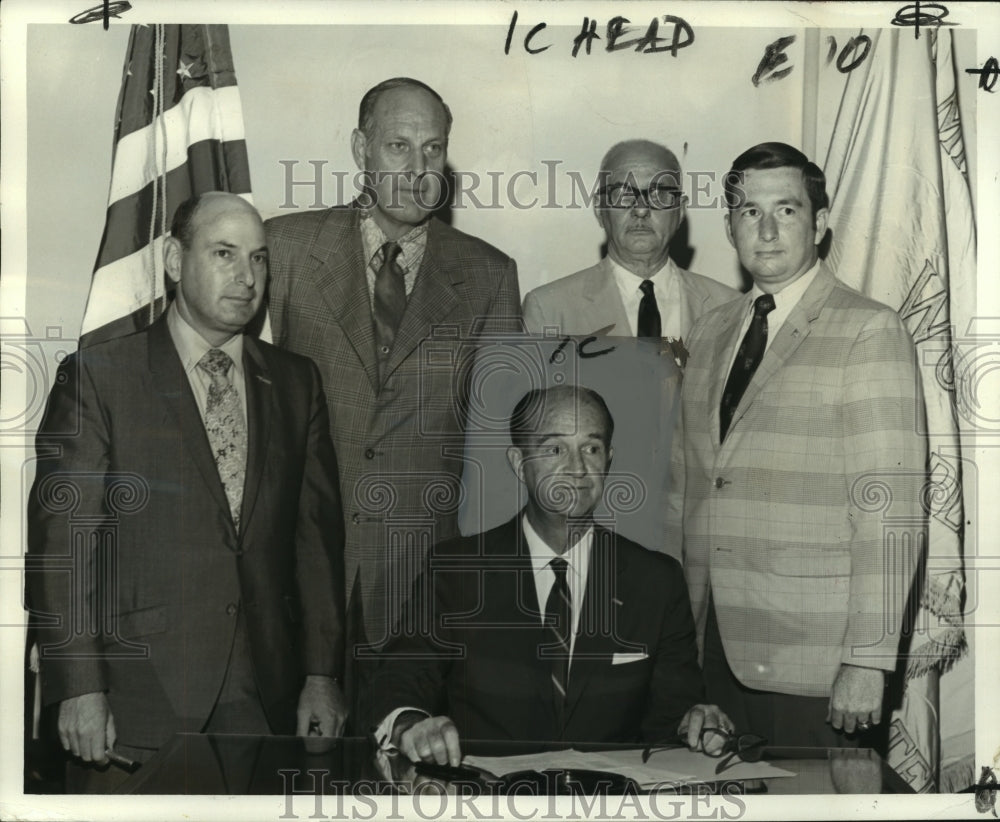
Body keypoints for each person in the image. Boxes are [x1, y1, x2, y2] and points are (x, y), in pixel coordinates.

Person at [26, 193, 347, 792]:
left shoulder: (296, 383)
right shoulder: (100, 376)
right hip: (134, 705)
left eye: (258, 258)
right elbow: (64, 548)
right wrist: (79, 687)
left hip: (267, 704)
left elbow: (317, 546)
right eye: (224, 254)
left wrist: (322, 675)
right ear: (174, 259)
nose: (247, 277)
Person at [263, 77, 521, 714]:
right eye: (398, 146)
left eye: (433, 150)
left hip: (426, 585)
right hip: (297, 574)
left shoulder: (490, 274)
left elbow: (499, 455)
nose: (418, 168)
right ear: (361, 149)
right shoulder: (285, 249)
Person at [672, 142, 926, 747]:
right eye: (748, 211)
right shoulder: (710, 332)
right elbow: (692, 491)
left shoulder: (869, 329)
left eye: (786, 210)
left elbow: (890, 513)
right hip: (715, 657)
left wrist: (867, 663)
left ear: (820, 221)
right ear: (729, 225)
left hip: (818, 667)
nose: (766, 229)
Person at [368, 385, 731, 766]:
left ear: (609, 459)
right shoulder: (455, 572)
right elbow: (399, 679)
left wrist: (696, 722)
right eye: (555, 449)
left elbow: (675, 713)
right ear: (517, 461)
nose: (576, 468)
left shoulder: (656, 581)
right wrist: (412, 723)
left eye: (590, 448)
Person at [522, 140, 736, 368]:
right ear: (599, 209)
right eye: (623, 194)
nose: (641, 209)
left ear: (680, 211)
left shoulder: (729, 307)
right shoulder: (550, 310)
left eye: (659, 194)